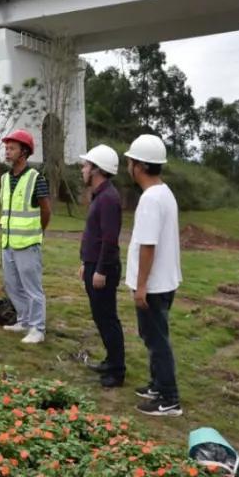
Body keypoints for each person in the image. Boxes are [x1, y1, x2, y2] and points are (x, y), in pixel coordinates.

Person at [124, 134, 183, 417]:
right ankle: (158, 385)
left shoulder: (150, 199)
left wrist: (141, 285)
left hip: (153, 284)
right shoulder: (164, 192)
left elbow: (148, 246)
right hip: (164, 281)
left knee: (157, 340)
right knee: (153, 336)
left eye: (130, 161)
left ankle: (169, 398)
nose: (128, 166)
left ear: (139, 166)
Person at [77, 144, 125, 388]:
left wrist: (101, 271)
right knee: (100, 316)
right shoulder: (99, 195)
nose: (82, 169)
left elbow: (110, 240)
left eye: (86, 166)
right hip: (93, 264)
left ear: (97, 169)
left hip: (102, 268)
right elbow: (93, 235)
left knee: (107, 318)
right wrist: (86, 263)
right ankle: (111, 359)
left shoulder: (108, 199)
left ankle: (117, 371)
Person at [0, 129, 52, 345]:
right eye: (6, 148)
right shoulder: (4, 179)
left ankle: (37, 329)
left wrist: (39, 231)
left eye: (12, 148)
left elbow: (46, 210)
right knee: (12, 285)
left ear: (24, 152)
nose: (7, 152)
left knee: (32, 288)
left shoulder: (36, 178)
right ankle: (23, 320)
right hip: (8, 242)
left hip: (28, 243)